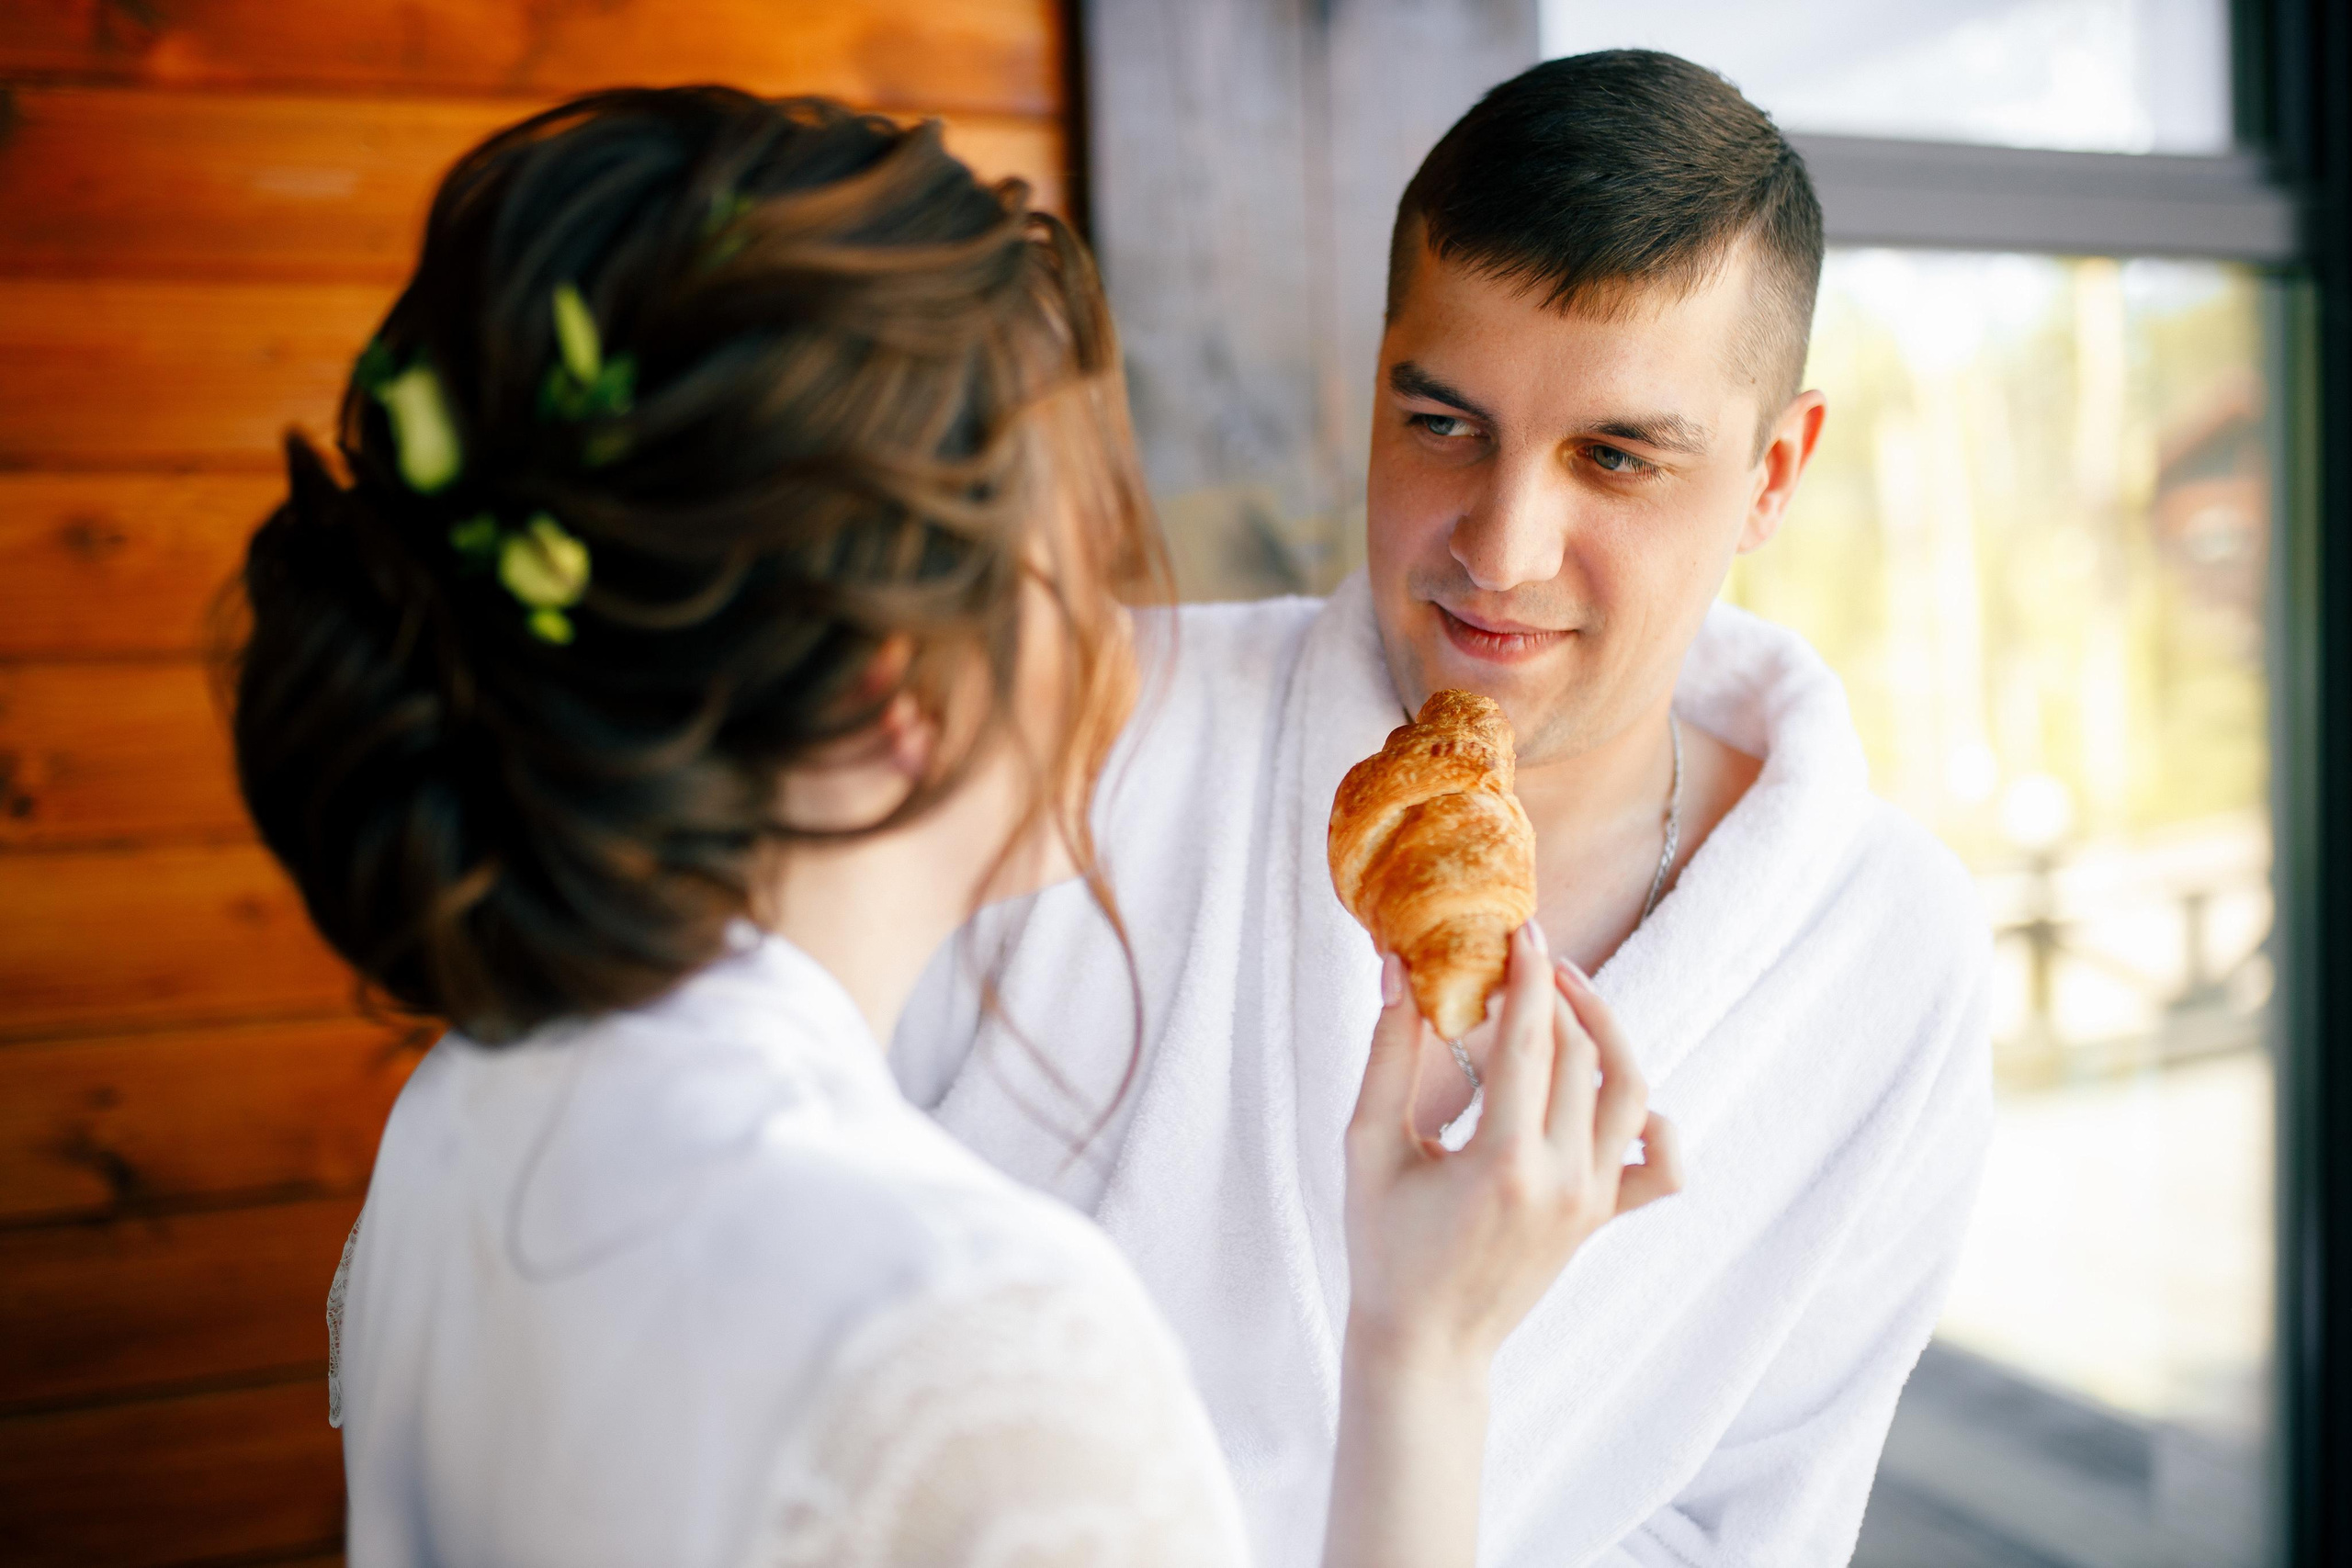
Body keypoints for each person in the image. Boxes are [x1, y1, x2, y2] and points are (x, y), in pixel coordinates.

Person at [226, 87, 1678, 1568]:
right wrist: (1425, 1355)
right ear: (896, 680)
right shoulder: (978, 1353)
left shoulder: (461, 1116)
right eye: (1077, 567)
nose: (1123, 648)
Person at [893, 51, 1996, 1568]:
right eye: (1444, 425)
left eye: (1616, 456)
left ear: (1772, 472)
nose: (1501, 547)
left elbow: (1740, 1531)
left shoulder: (1885, 959)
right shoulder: (1088, 731)